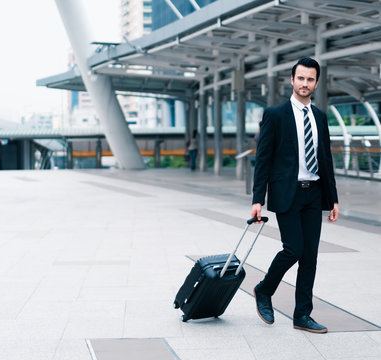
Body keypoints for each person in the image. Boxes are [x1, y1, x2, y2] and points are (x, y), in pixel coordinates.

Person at [251, 57, 339, 334]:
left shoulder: (320, 117)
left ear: (316, 82)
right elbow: (262, 159)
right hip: (287, 192)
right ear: (292, 80)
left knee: (310, 256)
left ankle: (302, 315)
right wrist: (257, 199)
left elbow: (325, 159)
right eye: (300, 78)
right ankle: (264, 290)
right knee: (293, 249)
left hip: (313, 193)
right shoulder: (275, 115)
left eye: (310, 79)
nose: (305, 83)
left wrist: (333, 198)